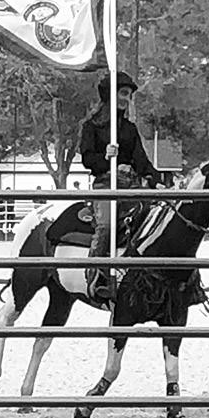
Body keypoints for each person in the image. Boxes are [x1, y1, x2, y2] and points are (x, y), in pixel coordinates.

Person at [79, 71, 159, 301]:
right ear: (110, 94)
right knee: (106, 226)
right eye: (123, 93)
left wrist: (158, 181)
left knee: (157, 216)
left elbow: (141, 161)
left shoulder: (130, 129)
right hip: (105, 183)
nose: (127, 99)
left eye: (129, 95)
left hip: (131, 185)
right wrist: (106, 157)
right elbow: (87, 159)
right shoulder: (91, 127)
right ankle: (94, 274)